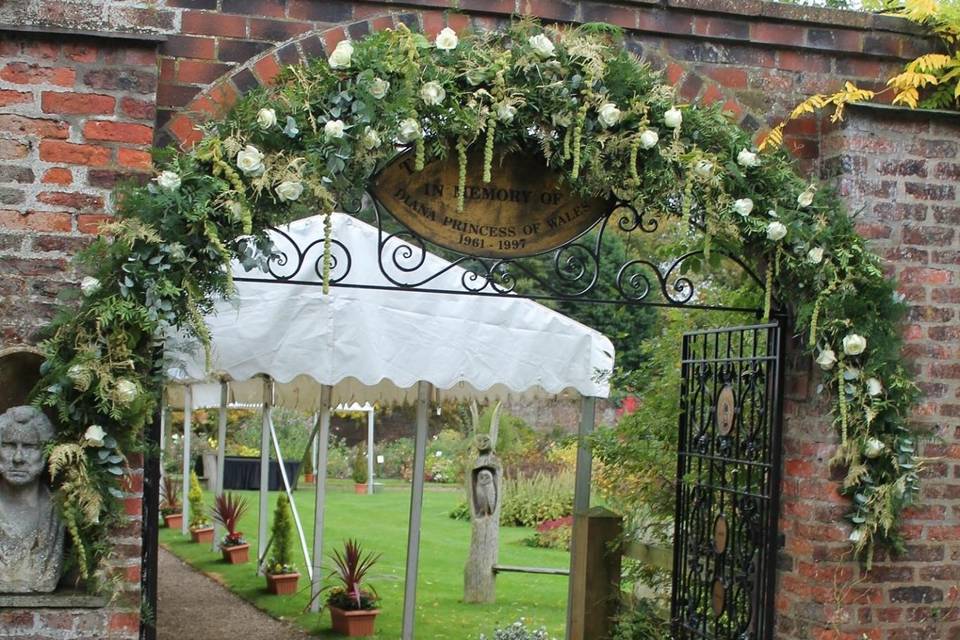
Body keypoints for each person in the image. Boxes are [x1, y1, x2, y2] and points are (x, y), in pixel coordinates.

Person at [0, 406, 64, 593]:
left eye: (29, 446)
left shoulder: (58, 511)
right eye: (8, 445)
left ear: (46, 452)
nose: (18, 458)